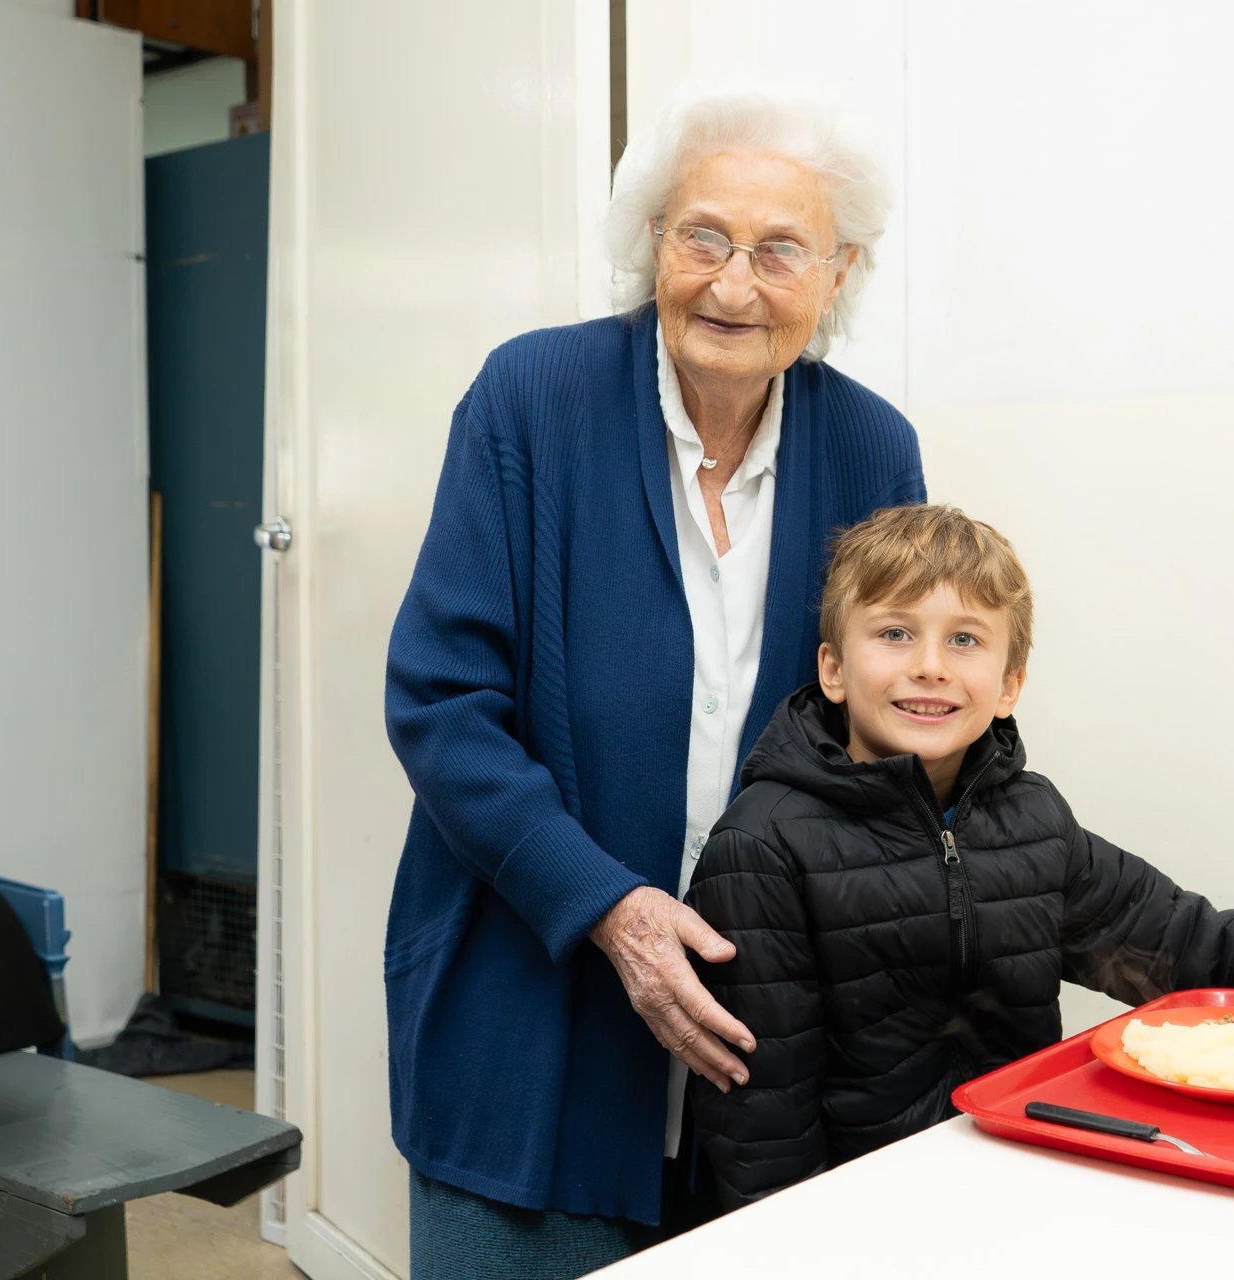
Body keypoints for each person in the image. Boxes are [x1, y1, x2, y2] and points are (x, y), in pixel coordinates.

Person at [382, 87, 922, 1277]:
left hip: (763, 1066)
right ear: (653, 242)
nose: (734, 284)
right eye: (703, 237)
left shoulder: (874, 451)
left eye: (780, 250)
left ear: (837, 273)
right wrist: (613, 910)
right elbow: (440, 700)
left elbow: (890, 731)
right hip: (528, 1032)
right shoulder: (531, 399)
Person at [687, 505, 1234, 1205]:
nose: (931, 667)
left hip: (1025, 1185)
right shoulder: (762, 846)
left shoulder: (1032, 819)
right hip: (863, 1218)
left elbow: (1192, 944)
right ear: (834, 669)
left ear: (1011, 684)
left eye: (965, 640)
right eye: (895, 633)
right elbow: (761, 1134)